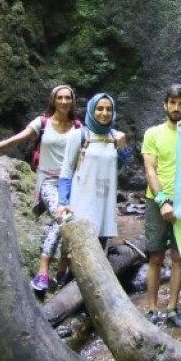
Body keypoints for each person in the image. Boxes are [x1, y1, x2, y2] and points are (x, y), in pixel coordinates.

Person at [0, 84, 81, 293]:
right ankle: (43, 273)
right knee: (63, 218)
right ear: (53, 100)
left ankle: (62, 270)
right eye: (60, 98)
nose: (64, 101)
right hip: (48, 181)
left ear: (72, 101)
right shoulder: (42, 123)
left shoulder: (77, 127)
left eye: (67, 98)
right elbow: (18, 138)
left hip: (71, 183)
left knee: (69, 220)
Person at [142, 83, 181, 328]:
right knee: (155, 257)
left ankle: (172, 308)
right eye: (172, 103)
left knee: (178, 257)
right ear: (165, 105)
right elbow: (150, 170)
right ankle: (152, 309)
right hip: (156, 200)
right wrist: (162, 201)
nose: (176, 107)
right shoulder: (153, 133)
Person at [57, 93, 128, 260]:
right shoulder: (80, 135)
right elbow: (66, 170)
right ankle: (65, 284)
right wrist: (62, 202)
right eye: (100, 109)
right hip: (81, 201)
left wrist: (123, 149)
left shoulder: (116, 137)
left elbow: (117, 168)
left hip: (104, 202)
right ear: (91, 110)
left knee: (97, 257)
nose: (104, 113)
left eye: (108, 109)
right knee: (79, 257)